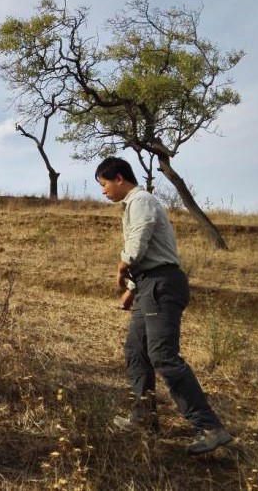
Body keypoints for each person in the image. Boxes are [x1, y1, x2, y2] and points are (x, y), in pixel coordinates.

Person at [95, 156, 232, 455]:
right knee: (136, 349)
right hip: (149, 285)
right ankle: (144, 418)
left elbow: (139, 241)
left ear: (119, 178)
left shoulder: (140, 200)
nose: (103, 192)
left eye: (104, 185)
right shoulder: (133, 203)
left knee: (162, 355)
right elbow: (150, 253)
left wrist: (122, 268)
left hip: (161, 285)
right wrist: (132, 289)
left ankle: (210, 427)